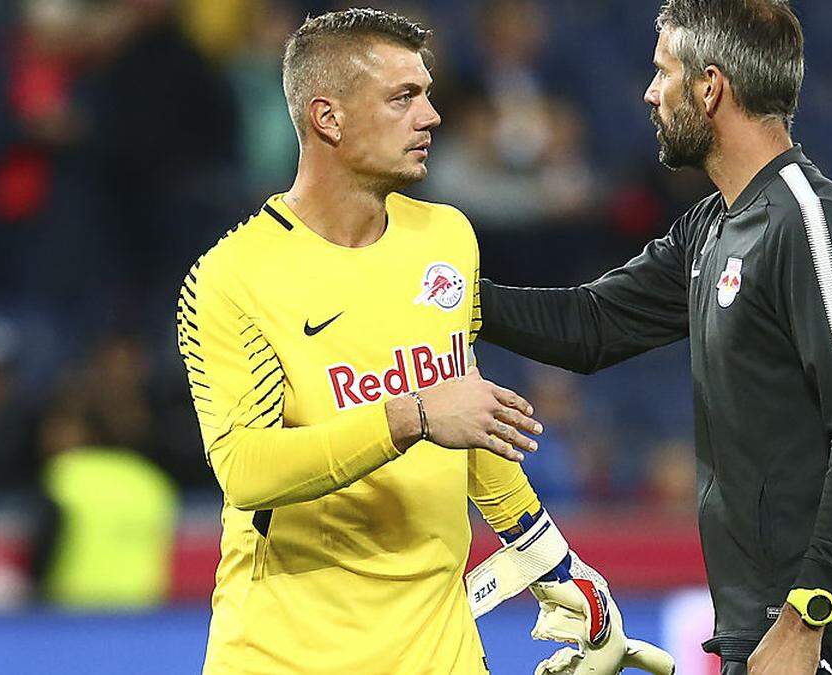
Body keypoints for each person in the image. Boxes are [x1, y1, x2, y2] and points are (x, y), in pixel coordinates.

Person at [175, 9, 671, 675]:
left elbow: (467, 417)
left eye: (428, 94)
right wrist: (411, 414)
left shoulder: (445, 237)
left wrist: (552, 559)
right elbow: (247, 468)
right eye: (404, 97)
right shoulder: (232, 277)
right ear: (328, 118)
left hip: (441, 652)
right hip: (287, 654)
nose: (433, 116)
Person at [476, 2, 832, 674]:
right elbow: (592, 325)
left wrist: (806, 616)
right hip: (758, 639)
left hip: (825, 649)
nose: (651, 93)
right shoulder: (712, 225)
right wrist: (445, 300)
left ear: (710, 88)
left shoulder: (810, 221)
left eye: (663, 73)